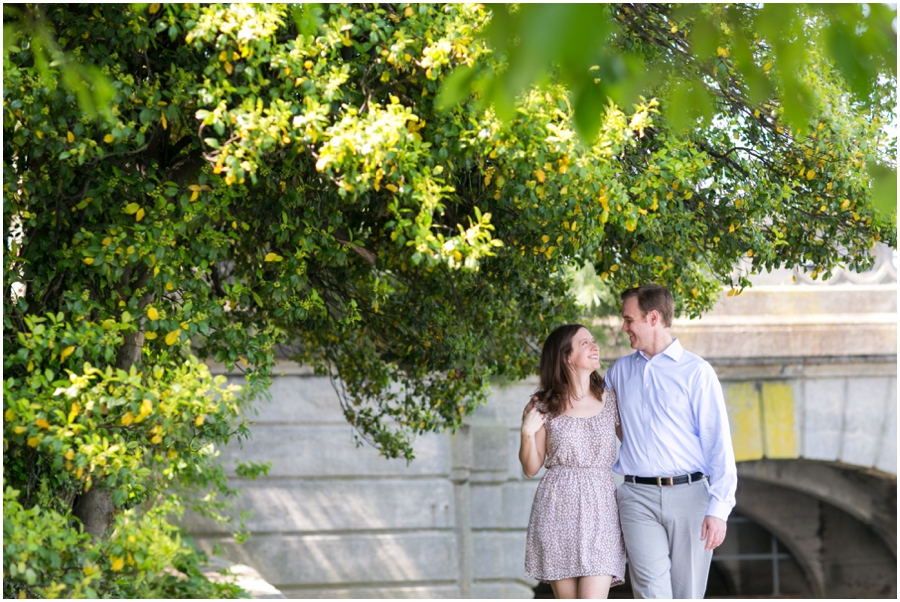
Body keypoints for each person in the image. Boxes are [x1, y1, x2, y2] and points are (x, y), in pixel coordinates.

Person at [605, 284, 737, 599]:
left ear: (653, 318)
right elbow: (606, 420)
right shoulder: (619, 372)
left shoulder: (697, 372)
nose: (624, 328)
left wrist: (719, 509)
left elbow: (718, 443)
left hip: (690, 497)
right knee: (651, 593)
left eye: (629, 319)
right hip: (637, 497)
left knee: (686, 594)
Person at [520, 324, 626, 599]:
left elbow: (637, 444)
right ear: (566, 356)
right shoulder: (544, 405)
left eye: (593, 341)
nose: (595, 347)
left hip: (600, 508)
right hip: (556, 508)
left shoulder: (612, 399)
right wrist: (526, 433)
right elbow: (531, 467)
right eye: (585, 343)